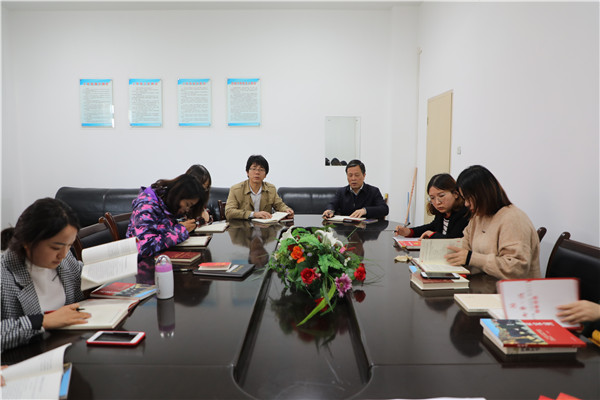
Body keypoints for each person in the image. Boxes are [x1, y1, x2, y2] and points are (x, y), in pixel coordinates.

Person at [1, 198, 91, 351]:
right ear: (28, 241)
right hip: (26, 357)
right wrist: (43, 321)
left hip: (66, 347)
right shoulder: (4, 277)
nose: (63, 255)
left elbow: (81, 276)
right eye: (56, 248)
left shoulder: (64, 261)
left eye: (69, 245)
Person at [445, 165, 540, 280]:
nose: (466, 204)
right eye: (464, 199)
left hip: (508, 289)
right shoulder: (478, 217)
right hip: (483, 284)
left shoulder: (513, 218)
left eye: (469, 198)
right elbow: (464, 246)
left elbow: (516, 268)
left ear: (483, 194)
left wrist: (471, 258)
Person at [127, 173, 208, 257]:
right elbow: (143, 248)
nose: (187, 209)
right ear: (178, 195)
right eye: (187, 204)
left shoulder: (166, 204)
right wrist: (180, 231)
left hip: (162, 258)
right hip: (143, 262)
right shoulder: (146, 207)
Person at [394, 173, 469, 239]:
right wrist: (409, 231)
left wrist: (432, 235)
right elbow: (432, 227)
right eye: (432, 198)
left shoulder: (464, 213)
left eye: (441, 195)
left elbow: (454, 239)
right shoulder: (442, 212)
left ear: (455, 194)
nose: (437, 202)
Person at [225, 155, 294, 220]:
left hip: (265, 226)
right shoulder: (236, 189)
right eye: (254, 169)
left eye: (261, 169)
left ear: (265, 174)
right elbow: (229, 212)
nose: (257, 172)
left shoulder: (271, 188)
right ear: (247, 172)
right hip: (243, 226)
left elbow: (279, 205)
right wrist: (254, 214)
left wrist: (286, 210)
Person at [323, 159, 389, 219]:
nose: (353, 178)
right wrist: (330, 210)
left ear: (364, 175)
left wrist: (365, 210)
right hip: (346, 227)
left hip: (367, 227)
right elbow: (332, 204)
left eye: (357, 175)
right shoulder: (341, 192)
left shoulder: (373, 191)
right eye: (350, 175)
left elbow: (384, 209)